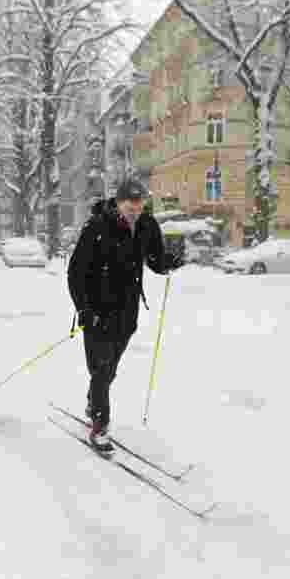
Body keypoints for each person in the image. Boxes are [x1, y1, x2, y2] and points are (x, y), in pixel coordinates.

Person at [66, 179, 184, 454]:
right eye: (129, 203)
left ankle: (93, 402)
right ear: (117, 202)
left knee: (109, 370)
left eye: (139, 203)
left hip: (126, 314)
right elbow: (75, 273)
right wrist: (84, 310)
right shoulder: (96, 227)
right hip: (96, 313)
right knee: (102, 368)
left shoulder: (147, 226)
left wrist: (168, 262)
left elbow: (154, 260)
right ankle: (100, 425)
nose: (134, 208)